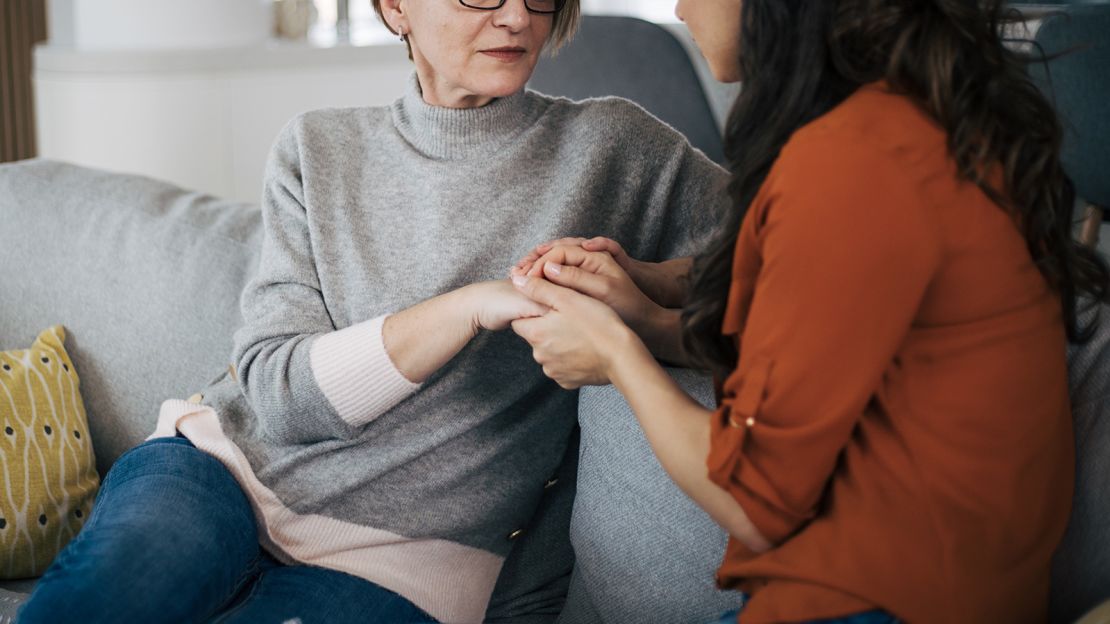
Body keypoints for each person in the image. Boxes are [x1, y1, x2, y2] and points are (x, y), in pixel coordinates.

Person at [17, 1, 726, 622]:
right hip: (222, 474)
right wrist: (470, 307)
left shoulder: (617, 149)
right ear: (394, 7)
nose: (517, 16)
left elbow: (790, 251)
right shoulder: (316, 149)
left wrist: (648, 289)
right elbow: (279, 397)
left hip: (411, 560)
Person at [509, 0, 1110, 622]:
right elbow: (816, 326)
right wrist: (652, 294)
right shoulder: (913, 126)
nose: (683, 8)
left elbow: (754, 503)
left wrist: (614, 352)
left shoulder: (849, 164)